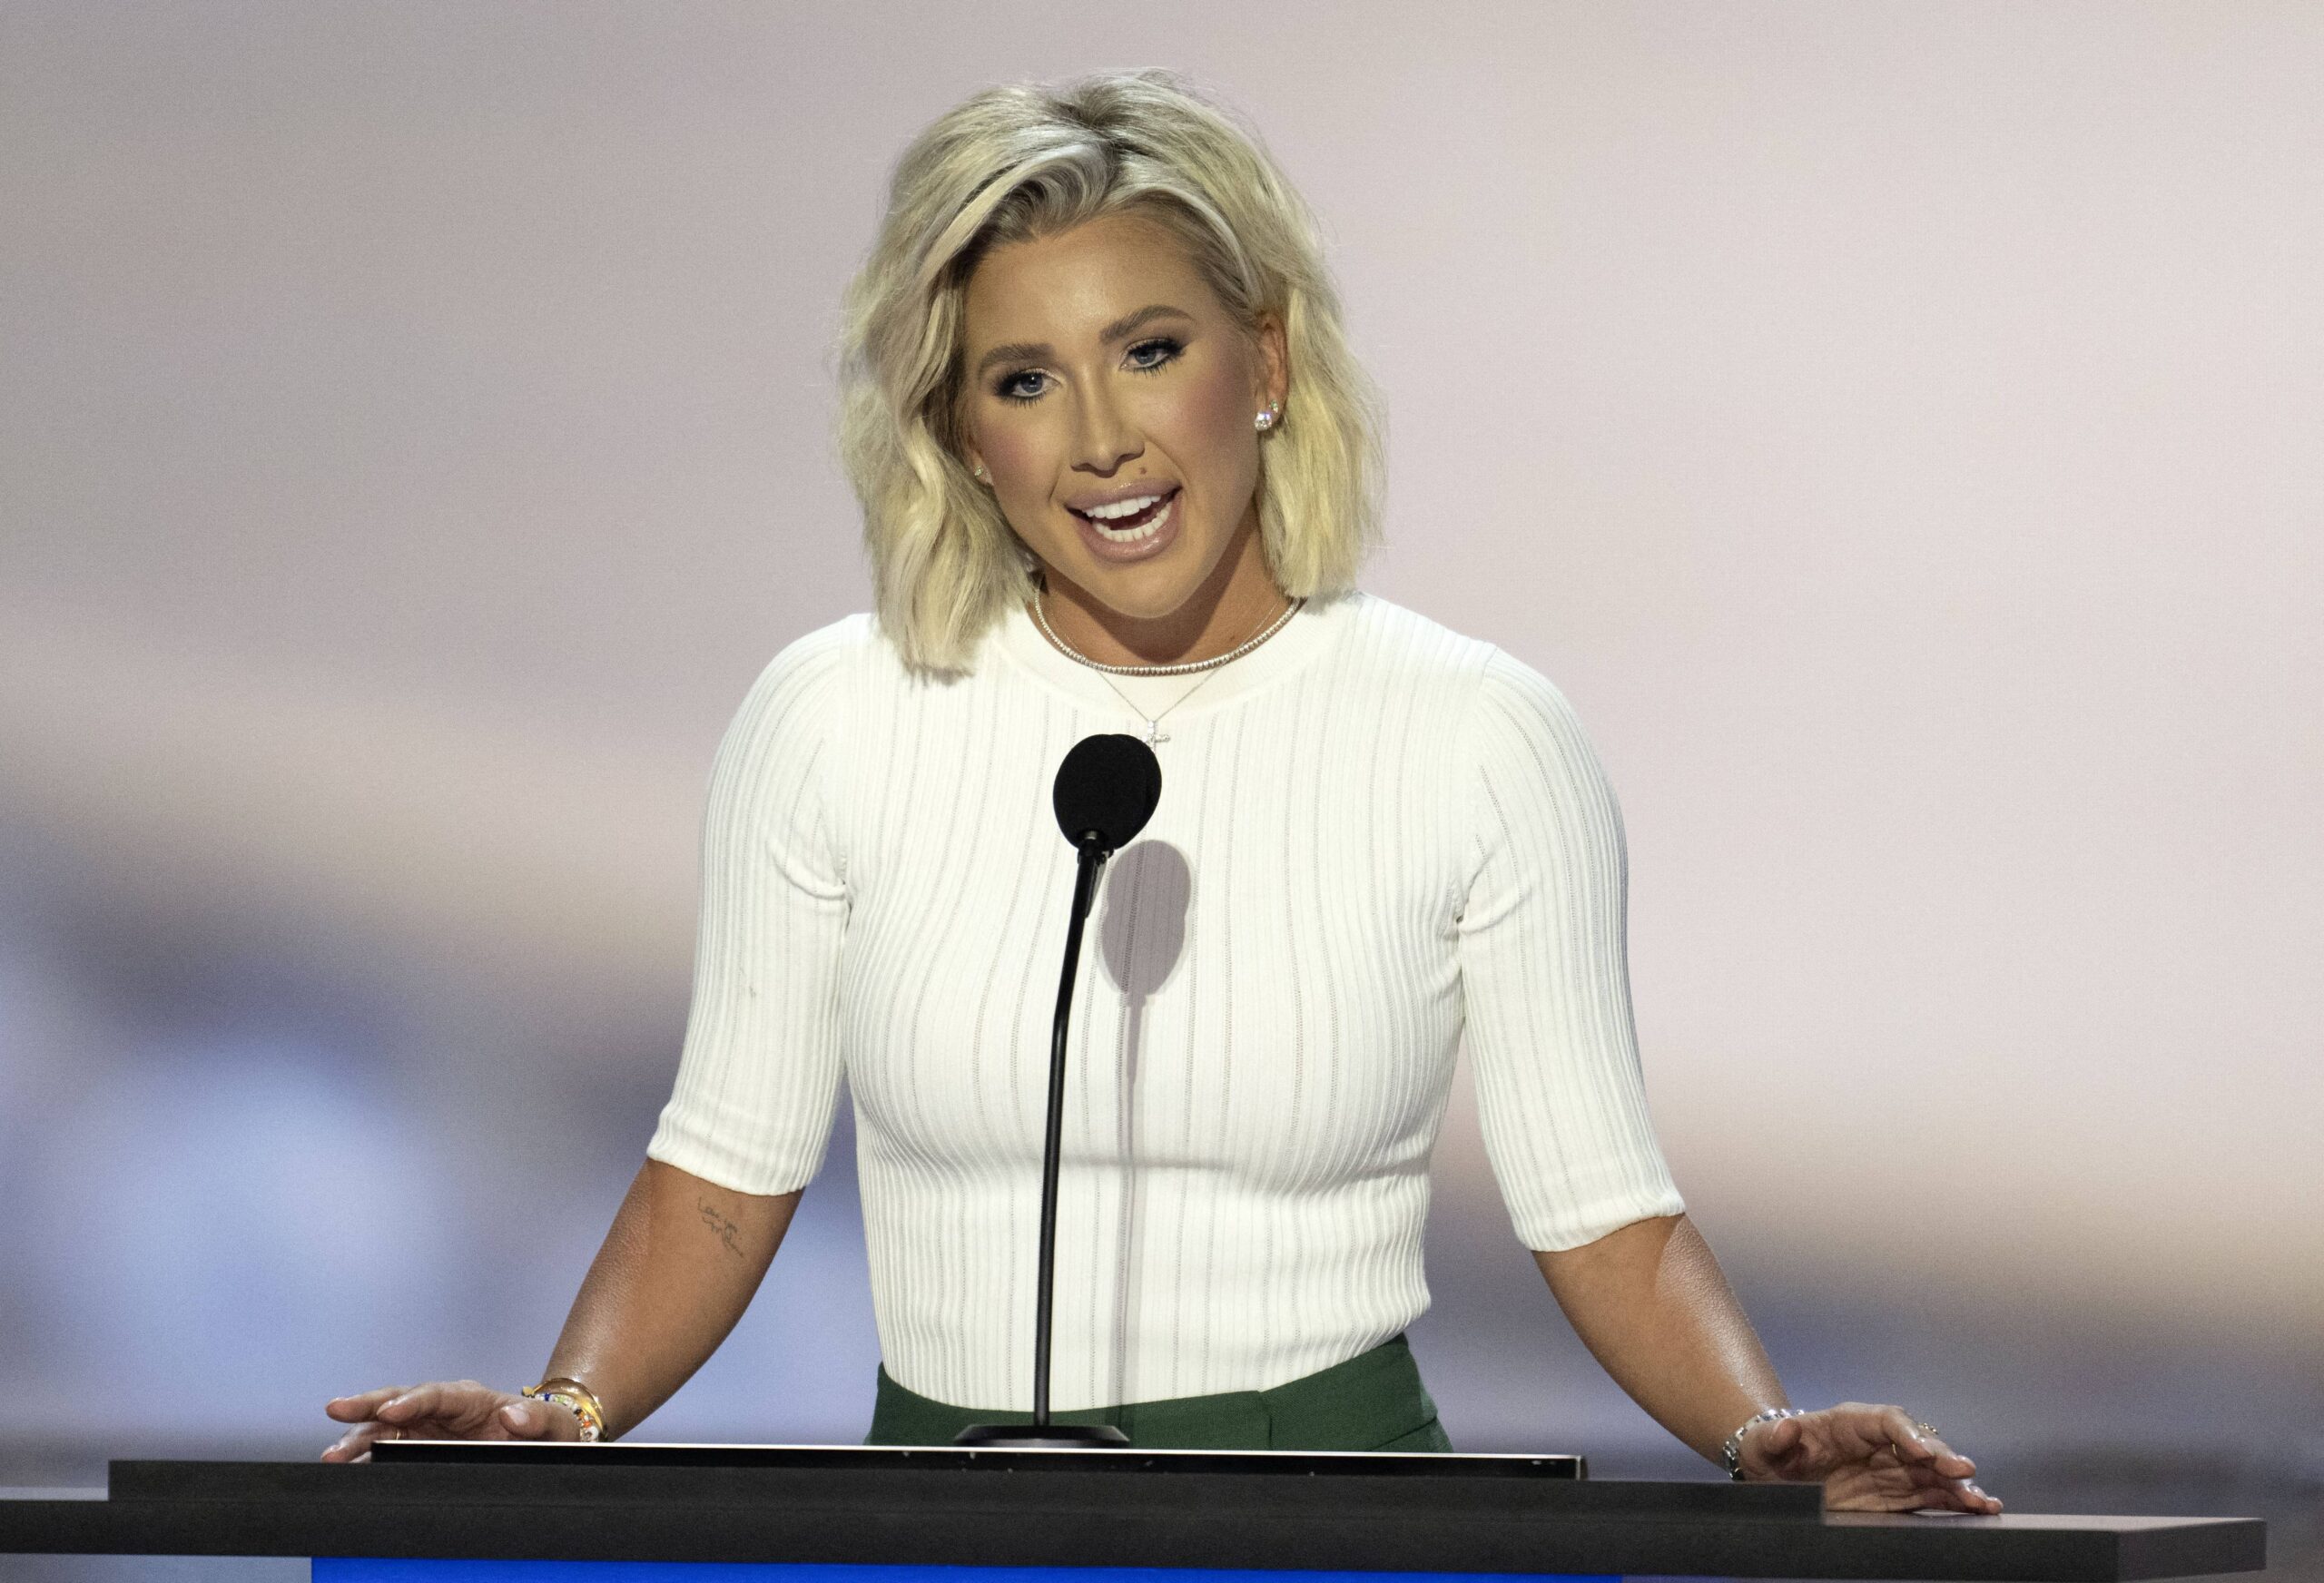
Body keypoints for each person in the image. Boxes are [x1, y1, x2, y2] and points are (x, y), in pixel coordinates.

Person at [325, 68, 1999, 1514]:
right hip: (937, 1514)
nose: (1102, 441)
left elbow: (1608, 1221)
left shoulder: (1478, 736)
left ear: (1263, 362)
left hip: (1336, 1517)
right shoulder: (833, 715)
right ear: (962, 433)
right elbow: (720, 1175)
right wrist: (556, 1418)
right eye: (1025, 380)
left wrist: (1766, 1440)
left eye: (1149, 350)